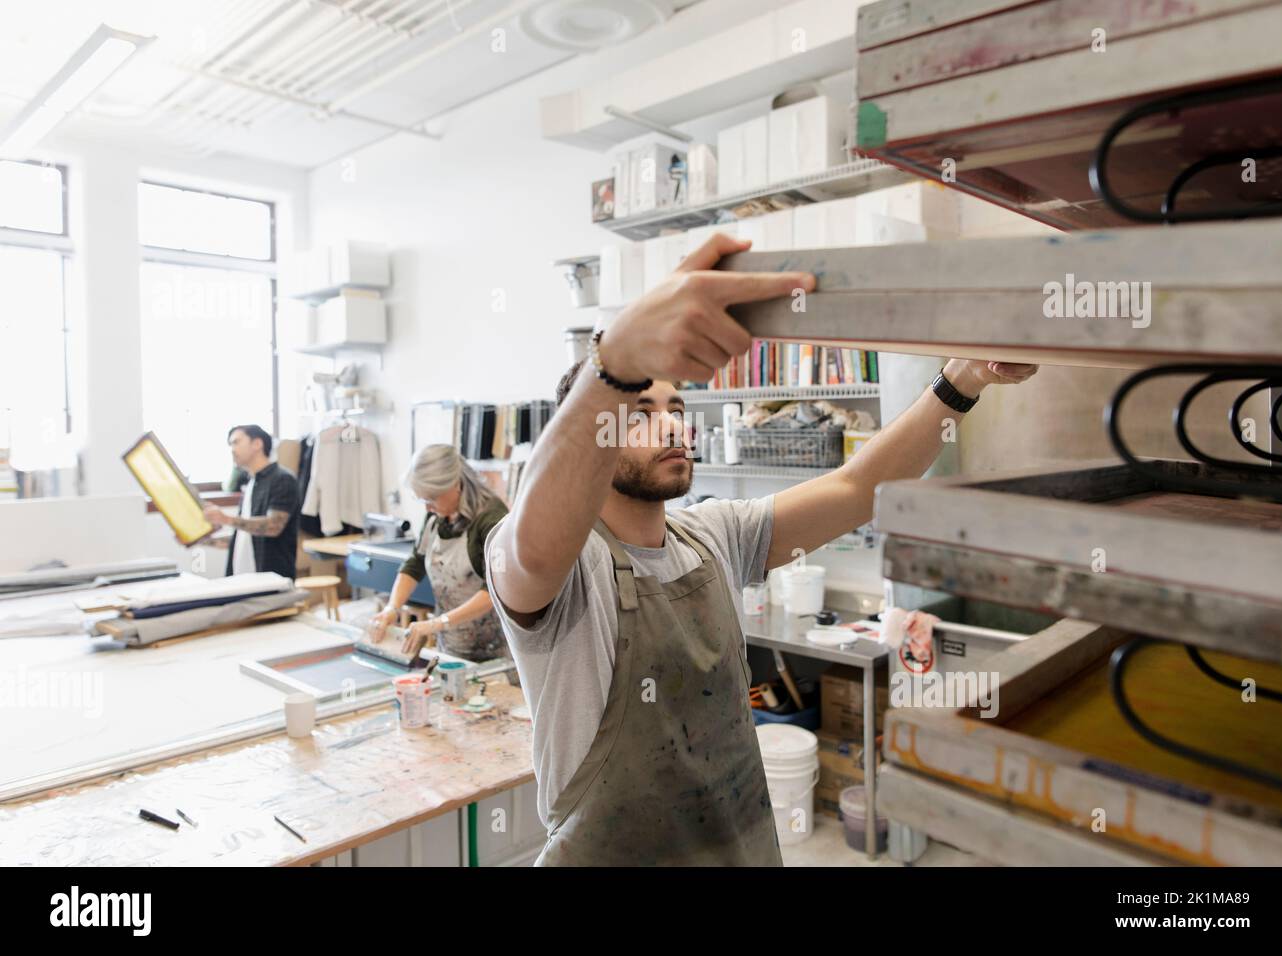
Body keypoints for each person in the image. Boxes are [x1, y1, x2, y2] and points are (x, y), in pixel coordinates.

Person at [484, 234, 1037, 866]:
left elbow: (859, 488)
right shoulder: (564, 568)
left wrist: (963, 379)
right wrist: (615, 362)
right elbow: (532, 547)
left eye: (676, 407)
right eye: (639, 411)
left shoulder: (714, 534)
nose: (672, 426)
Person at [368, 445, 512, 664]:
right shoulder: (436, 517)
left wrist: (437, 623)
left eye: (431, 499)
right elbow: (414, 563)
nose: (427, 508)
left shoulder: (492, 519)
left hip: (496, 649)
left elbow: (496, 590)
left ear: (455, 486)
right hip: (452, 644)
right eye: (423, 500)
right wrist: (392, 608)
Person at [202, 425, 301, 580]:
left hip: (271, 581)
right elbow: (241, 537)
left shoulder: (282, 479)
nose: (232, 449)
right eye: (230, 444)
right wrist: (200, 540)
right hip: (242, 578)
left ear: (257, 444)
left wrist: (225, 519)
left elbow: (273, 526)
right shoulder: (251, 483)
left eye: (236, 442)